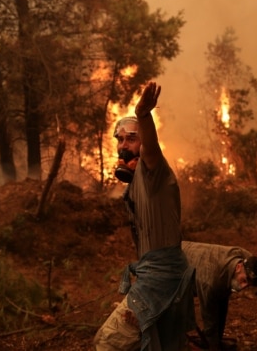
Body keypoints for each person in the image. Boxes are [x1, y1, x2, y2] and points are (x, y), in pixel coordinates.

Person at [93, 82, 196, 351]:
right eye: (120, 139)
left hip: (162, 278)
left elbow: (150, 150)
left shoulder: (154, 170)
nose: (124, 145)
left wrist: (143, 115)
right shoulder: (135, 179)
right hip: (159, 273)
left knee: (108, 343)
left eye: (132, 138)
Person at [181, 241, 257, 351]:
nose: (244, 286)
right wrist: (213, 346)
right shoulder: (210, 281)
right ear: (238, 267)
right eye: (244, 280)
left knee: (222, 295)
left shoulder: (245, 257)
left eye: (249, 283)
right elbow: (208, 314)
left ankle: (216, 340)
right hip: (178, 262)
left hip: (203, 260)